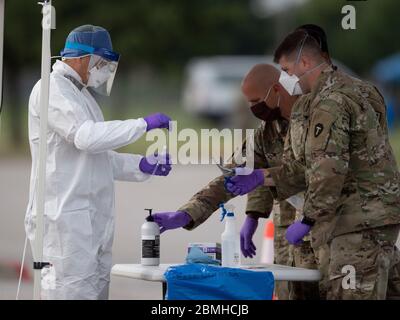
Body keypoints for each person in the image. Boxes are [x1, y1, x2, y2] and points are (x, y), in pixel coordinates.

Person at [226, 29, 400, 299]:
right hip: (380, 217)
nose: (285, 78)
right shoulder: (365, 90)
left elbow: (327, 168)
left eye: (286, 69)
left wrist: (307, 219)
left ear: (305, 63)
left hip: (355, 224)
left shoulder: (327, 104)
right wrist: (262, 179)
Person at [25, 25, 173, 300]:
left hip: (90, 221)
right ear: (82, 58)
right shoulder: (52, 89)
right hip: (64, 222)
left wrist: (141, 165)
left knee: (94, 292)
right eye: (101, 63)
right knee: (71, 293)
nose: (104, 70)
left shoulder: (81, 95)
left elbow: (96, 158)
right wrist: (142, 124)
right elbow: (86, 138)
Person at [152, 63, 319, 299]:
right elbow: (234, 175)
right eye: (249, 102)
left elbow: (319, 173)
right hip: (290, 235)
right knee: (290, 291)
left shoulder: (318, 120)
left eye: (256, 101)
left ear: (276, 90)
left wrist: (261, 179)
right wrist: (186, 214)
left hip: (327, 229)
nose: (253, 108)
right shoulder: (267, 131)